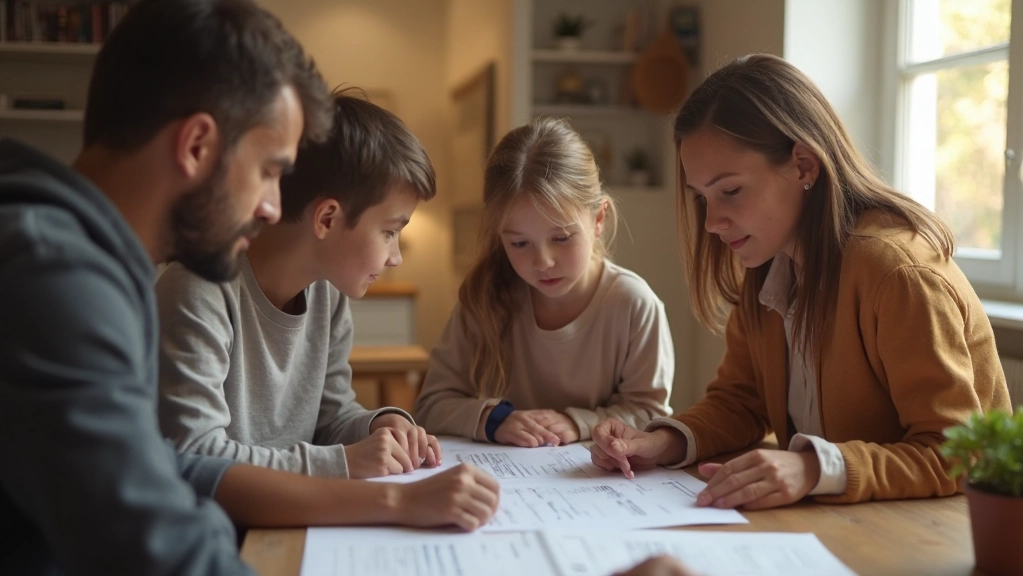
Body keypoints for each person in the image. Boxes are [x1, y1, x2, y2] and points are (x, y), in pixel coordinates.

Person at [0, 2, 496, 574]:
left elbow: (167, 471)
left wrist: (391, 496)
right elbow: (149, 536)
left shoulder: (84, 261)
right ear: (196, 146)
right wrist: (386, 498)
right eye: (267, 169)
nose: (271, 205)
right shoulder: (55, 279)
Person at [590, 53, 1011, 508]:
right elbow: (742, 401)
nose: (711, 222)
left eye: (730, 191)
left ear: (804, 166)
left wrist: (813, 468)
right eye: (702, 198)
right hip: (844, 524)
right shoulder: (769, 262)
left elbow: (957, 453)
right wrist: (661, 442)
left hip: (936, 532)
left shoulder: (897, 274)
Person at [157, 90, 440, 480]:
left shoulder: (328, 293)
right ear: (326, 218)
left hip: (290, 516)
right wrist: (342, 463)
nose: (396, 257)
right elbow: (195, 453)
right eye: (390, 232)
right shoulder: (198, 290)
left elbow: (331, 417)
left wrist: (380, 424)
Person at [415, 117, 674, 447]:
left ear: (598, 219)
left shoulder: (633, 304)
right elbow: (431, 406)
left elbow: (650, 412)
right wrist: (494, 420)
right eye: (520, 244)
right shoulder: (486, 297)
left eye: (562, 238)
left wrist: (576, 422)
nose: (543, 262)